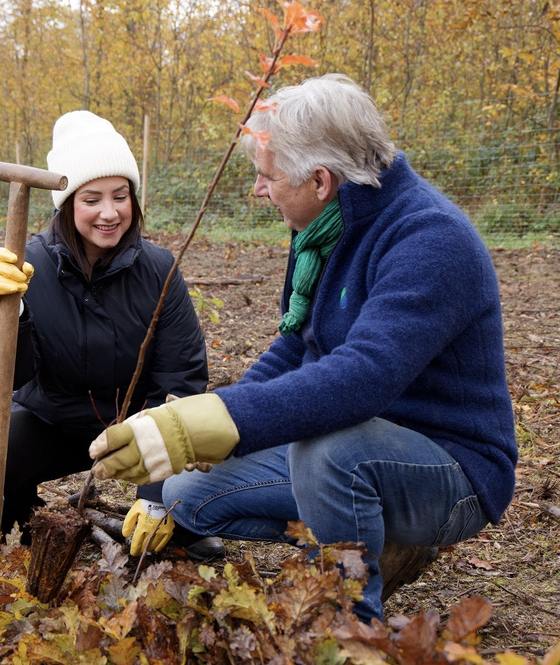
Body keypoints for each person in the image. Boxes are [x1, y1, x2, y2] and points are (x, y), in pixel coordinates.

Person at [88, 74, 518, 622]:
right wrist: (199, 429)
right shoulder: (322, 229)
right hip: (356, 447)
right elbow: (297, 346)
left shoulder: (430, 240)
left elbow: (363, 377)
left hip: (450, 468)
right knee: (187, 493)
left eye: (267, 176)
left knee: (329, 452)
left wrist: (223, 418)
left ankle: (348, 625)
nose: (258, 190)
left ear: (320, 179)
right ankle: (365, 531)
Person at [0, 110, 223, 559]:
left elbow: (180, 381)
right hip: (57, 424)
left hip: (143, 430)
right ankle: (36, 529)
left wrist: (156, 495)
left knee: (174, 522)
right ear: (67, 205)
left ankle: (178, 528)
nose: (109, 212)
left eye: (120, 196)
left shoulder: (159, 270)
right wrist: (2, 315)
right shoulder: (29, 266)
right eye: (92, 199)